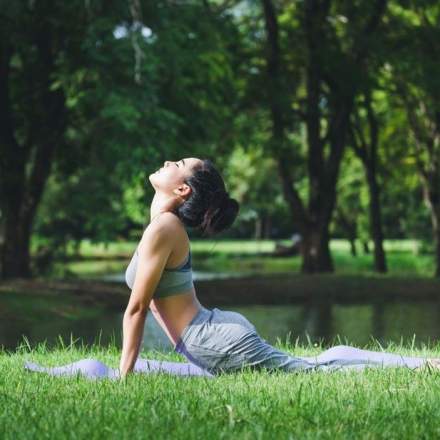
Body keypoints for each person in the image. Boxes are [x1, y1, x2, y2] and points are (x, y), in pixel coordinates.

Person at [25, 157, 439, 380]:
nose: (168, 162)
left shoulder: (165, 228)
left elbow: (135, 310)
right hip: (207, 337)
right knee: (310, 365)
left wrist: (125, 381)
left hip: (216, 341)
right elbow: (150, 298)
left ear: (182, 188)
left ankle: (421, 366)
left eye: (178, 164)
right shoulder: (162, 225)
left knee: (317, 370)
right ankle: (57, 372)